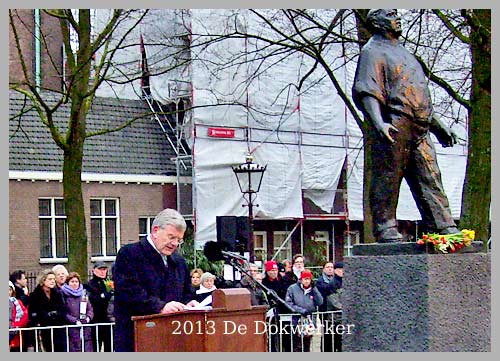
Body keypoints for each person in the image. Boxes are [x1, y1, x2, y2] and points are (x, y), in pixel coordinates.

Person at [352, 9, 459, 243]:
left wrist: (438, 126)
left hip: (419, 125)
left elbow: (417, 94)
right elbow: (367, 89)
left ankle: (442, 224)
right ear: (377, 22)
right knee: (388, 176)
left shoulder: (405, 53)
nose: (397, 18)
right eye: (390, 14)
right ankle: (385, 226)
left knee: (430, 174)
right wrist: (379, 123)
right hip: (394, 122)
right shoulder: (372, 51)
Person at [112, 208, 198, 352]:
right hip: (137, 339)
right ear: (155, 230)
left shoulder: (179, 261)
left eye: (179, 240)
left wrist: (189, 303)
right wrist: (160, 307)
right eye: (171, 237)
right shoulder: (130, 254)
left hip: (173, 338)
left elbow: (186, 291)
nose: (175, 243)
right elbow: (129, 292)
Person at [29, 269, 68, 352]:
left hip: (57, 329)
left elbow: (63, 309)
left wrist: (57, 314)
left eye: (54, 279)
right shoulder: (35, 295)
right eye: (50, 279)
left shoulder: (57, 293)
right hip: (43, 330)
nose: (53, 281)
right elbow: (32, 313)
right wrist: (46, 315)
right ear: (43, 280)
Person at [285, 269, 323, 352]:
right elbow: (288, 303)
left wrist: (314, 289)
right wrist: (301, 311)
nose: (307, 281)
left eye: (308, 279)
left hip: (309, 321)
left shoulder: (313, 289)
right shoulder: (292, 289)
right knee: (296, 345)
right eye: (305, 279)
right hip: (296, 321)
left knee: (307, 344)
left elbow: (320, 302)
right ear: (301, 279)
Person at [61, 272, 94, 352]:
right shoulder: (63, 295)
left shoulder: (83, 294)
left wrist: (88, 318)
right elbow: (64, 312)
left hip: (85, 329)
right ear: (68, 283)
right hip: (71, 330)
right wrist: (75, 321)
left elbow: (90, 309)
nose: (75, 284)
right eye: (72, 282)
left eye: (76, 281)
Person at [85, 262, 114, 352]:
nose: (102, 272)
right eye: (100, 269)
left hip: (108, 320)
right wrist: (104, 296)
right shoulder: (90, 284)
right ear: (94, 270)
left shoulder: (109, 283)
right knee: (96, 346)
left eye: (104, 269)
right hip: (96, 320)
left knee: (109, 347)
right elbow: (93, 299)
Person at [9, 281, 29, 351]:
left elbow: (24, 316)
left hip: (16, 336)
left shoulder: (17, 302)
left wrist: (15, 326)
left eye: (9, 289)